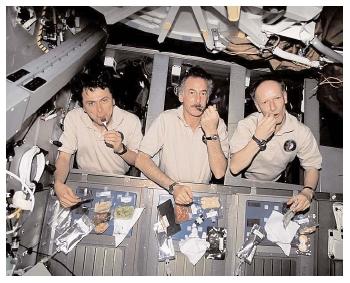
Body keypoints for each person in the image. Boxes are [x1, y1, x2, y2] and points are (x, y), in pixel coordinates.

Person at [135, 66, 229, 205]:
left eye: (203, 93)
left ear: (208, 98)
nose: (198, 99)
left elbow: (219, 172)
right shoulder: (166, 119)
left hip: (201, 197)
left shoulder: (218, 124)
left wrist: (211, 132)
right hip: (167, 191)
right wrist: (173, 187)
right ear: (181, 96)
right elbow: (141, 160)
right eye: (192, 92)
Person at [229, 78, 322, 212]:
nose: (273, 107)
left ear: (285, 97)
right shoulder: (247, 126)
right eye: (265, 102)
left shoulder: (300, 131)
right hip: (246, 181)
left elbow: (312, 165)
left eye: (277, 98)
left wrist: (307, 192)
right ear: (257, 105)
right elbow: (235, 167)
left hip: (278, 183)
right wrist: (258, 137)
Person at [54, 67, 143, 208]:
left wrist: (121, 149)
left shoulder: (131, 121)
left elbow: (138, 161)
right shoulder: (74, 118)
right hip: (83, 181)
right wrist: (58, 183)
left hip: (118, 183)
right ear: (83, 106)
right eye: (91, 103)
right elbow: (64, 157)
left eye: (104, 100)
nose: (99, 110)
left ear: (113, 100)